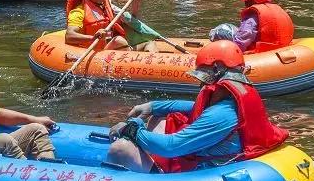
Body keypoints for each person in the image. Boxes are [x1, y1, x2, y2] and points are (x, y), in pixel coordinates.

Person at [105, 40, 289, 173]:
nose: (201, 83)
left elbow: (171, 147)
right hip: (213, 156)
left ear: (218, 70)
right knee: (161, 118)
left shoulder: (223, 114)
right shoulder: (234, 98)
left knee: (120, 149)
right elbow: (195, 107)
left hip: (208, 169)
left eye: (204, 76)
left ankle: (155, 180)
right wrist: (154, 106)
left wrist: (132, 129)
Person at [65, 0, 156, 52]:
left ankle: (152, 67)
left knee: (150, 43)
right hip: (94, 52)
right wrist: (93, 37)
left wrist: (136, 3)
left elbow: (131, 23)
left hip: (113, 49)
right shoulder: (78, 12)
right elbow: (69, 36)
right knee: (119, 41)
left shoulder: (107, 6)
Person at [209, 0, 295, 53]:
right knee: (234, 29)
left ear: (252, 0)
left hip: (259, 50)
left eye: (246, 1)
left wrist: (234, 50)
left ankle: (214, 46)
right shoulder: (278, 9)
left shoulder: (252, 17)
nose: (245, 4)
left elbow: (246, 34)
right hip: (279, 46)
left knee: (222, 29)